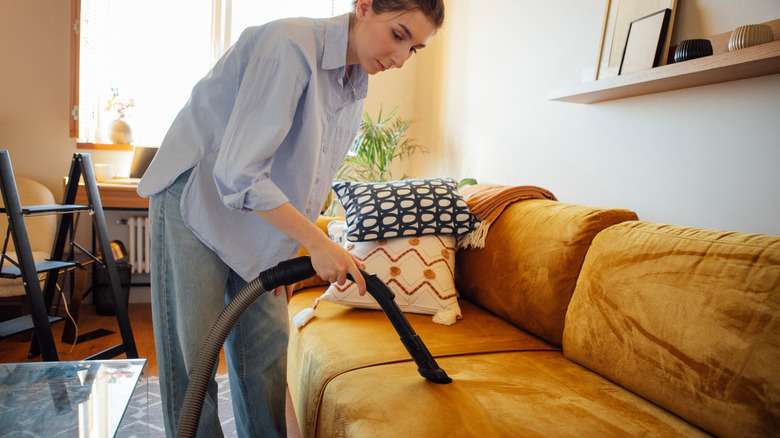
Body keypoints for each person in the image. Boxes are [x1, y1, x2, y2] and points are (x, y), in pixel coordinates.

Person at [137, 0, 445, 436]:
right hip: (197, 198)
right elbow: (237, 171)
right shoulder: (288, 47)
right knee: (195, 363)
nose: (399, 59)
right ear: (365, 7)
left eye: (414, 49)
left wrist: (286, 251)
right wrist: (319, 244)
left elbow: (308, 179)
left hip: (258, 218)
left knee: (263, 356)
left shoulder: (354, 83)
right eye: (398, 35)